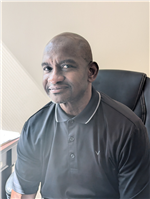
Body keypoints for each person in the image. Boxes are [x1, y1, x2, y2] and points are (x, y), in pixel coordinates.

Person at [11, 32, 150, 199]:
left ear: (91, 72)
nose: (54, 78)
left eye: (66, 66)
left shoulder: (128, 129)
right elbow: (23, 193)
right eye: (47, 69)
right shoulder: (34, 128)